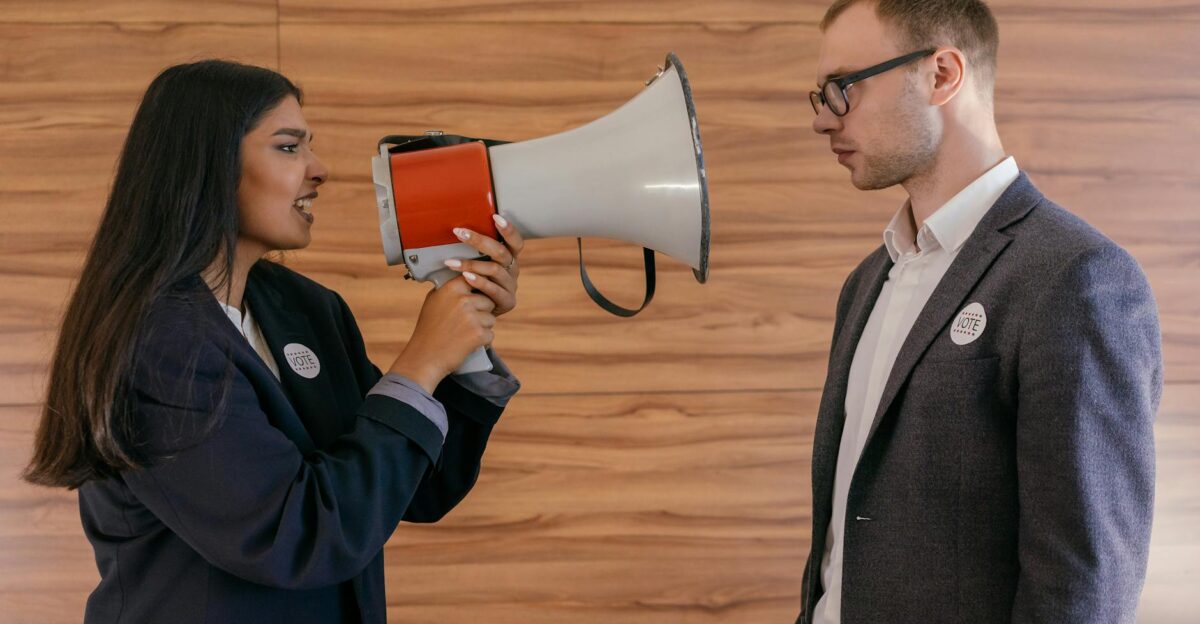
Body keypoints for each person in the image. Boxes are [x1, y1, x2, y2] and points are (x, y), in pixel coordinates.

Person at [23, 59, 523, 623]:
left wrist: (461, 352)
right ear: (208, 165)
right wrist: (421, 362)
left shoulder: (307, 309)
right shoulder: (155, 342)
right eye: (289, 147)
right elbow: (296, 537)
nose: (319, 169)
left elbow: (415, 488)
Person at [798, 1, 1162, 623]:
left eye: (845, 88)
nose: (824, 119)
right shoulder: (866, 283)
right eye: (821, 94)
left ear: (942, 74)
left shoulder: (1076, 278)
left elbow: (1084, 585)